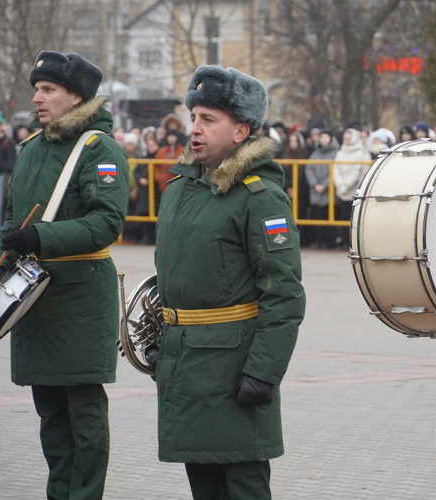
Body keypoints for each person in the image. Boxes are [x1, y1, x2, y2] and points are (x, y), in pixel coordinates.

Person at [0, 51, 129, 500]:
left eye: (48, 90)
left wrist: (42, 238)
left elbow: (107, 223)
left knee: (83, 415)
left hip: (79, 297)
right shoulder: (31, 149)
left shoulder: (100, 149)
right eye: (37, 89)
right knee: (49, 414)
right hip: (34, 296)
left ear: (76, 96)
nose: (37, 98)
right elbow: (12, 221)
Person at [154, 65, 305, 499]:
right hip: (186, 367)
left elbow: (285, 294)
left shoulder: (261, 196)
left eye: (208, 119)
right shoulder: (180, 188)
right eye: (193, 117)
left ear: (241, 131)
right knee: (204, 486)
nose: (195, 129)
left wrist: (263, 372)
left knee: (242, 486)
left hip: (232, 369)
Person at [333, 128, 367, 249]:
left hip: (353, 190)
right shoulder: (340, 152)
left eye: (349, 138)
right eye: (345, 138)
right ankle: (342, 240)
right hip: (341, 191)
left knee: (352, 217)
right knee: (342, 216)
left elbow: (356, 171)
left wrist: (346, 185)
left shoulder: (360, 153)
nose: (347, 141)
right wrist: (340, 185)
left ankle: (352, 241)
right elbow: (335, 169)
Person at [305, 129, 339, 248]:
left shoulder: (337, 153)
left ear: (331, 138)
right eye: (321, 137)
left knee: (329, 216)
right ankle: (319, 241)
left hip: (329, 192)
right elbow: (309, 168)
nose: (323, 139)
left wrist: (324, 185)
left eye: (326, 137)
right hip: (316, 191)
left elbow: (337, 170)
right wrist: (315, 184)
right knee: (317, 215)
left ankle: (329, 241)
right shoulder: (315, 153)